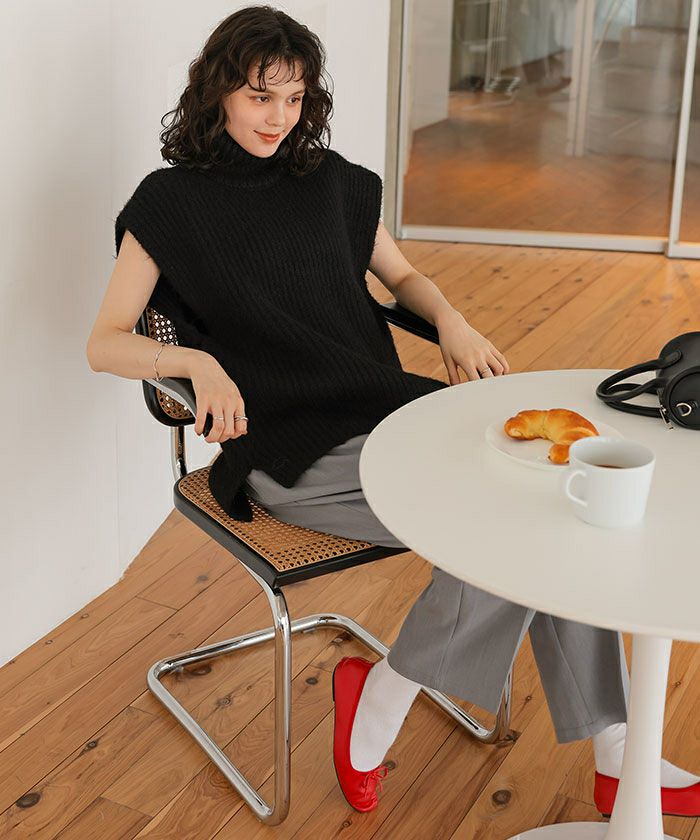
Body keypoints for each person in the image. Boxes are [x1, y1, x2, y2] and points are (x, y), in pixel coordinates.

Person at [86, 4, 700, 820]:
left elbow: (402, 277)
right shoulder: (170, 203)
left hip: (393, 415)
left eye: (294, 99)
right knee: (511, 525)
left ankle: (602, 747)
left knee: (552, 499)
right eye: (260, 96)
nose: (278, 118)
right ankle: (386, 706)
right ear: (218, 93)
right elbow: (105, 342)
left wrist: (450, 318)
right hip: (289, 449)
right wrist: (195, 362)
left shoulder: (329, 183)